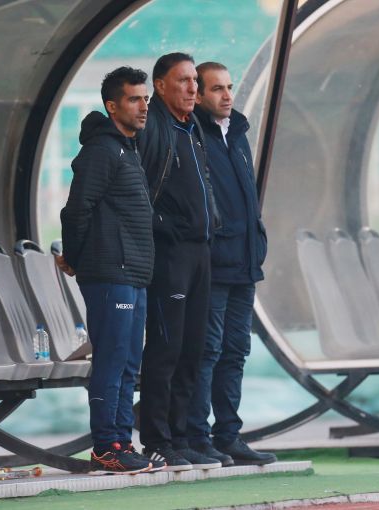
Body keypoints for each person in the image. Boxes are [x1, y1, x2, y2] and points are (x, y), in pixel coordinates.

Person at [59, 67, 161, 475]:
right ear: (112, 106)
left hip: (134, 273)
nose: (143, 107)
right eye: (135, 99)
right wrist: (76, 257)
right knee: (112, 359)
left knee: (129, 363)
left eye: (146, 99)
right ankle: (105, 446)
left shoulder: (127, 149)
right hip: (109, 273)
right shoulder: (102, 150)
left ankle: (122, 441)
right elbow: (75, 210)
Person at [185, 62, 275, 465]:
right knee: (208, 350)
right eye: (217, 89)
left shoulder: (236, 132)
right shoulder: (194, 134)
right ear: (199, 95)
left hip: (244, 263)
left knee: (236, 350)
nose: (227, 95)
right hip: (214, 264)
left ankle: (228, 436)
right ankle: (197, 435)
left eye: (229, 87)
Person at [137, 52, 221, 470]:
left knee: (192, 348)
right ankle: (157, 440)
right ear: (159, 86)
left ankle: (183, 436)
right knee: (166, 349)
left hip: (200, 250)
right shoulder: (153, 126)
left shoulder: (192, 127)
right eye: (183, 81)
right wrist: (164, 225)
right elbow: (136, 188)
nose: (192, 88)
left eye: (194, 81)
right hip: (170, 252)